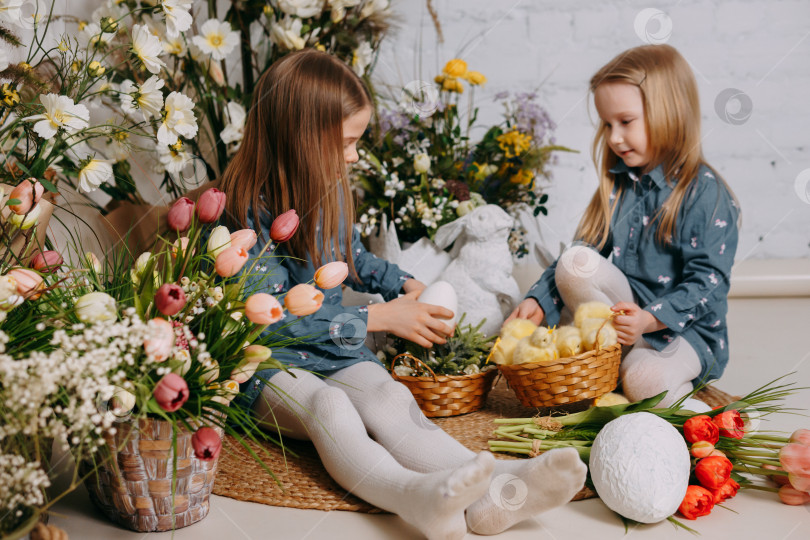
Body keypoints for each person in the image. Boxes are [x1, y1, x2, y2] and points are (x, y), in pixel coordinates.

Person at [218, 49, 586, 539]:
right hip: (268, 362)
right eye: (346, 142)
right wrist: (378, 318)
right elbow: (271, 320)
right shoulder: (243, 214)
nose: (353, 156)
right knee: (330, 409)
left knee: (389, 398)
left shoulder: (325, 192)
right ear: (302, 140)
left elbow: (350, 260)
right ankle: (413, 498)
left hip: (328, 346)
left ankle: (502, 488)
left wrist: (402, 284)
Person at [507, 44, 740, 408]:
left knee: (645, 383)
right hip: (627, 322)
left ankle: (712, 418)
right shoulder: (619, 183)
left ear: (669, 112)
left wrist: (650, 319)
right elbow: (585, 250)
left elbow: (708, 283)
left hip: (685, 332)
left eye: (625, 122)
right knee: (575, 263)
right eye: (607, 124)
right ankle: (616, 364)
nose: (614, 137)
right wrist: (539, 300)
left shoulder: (704, 192)